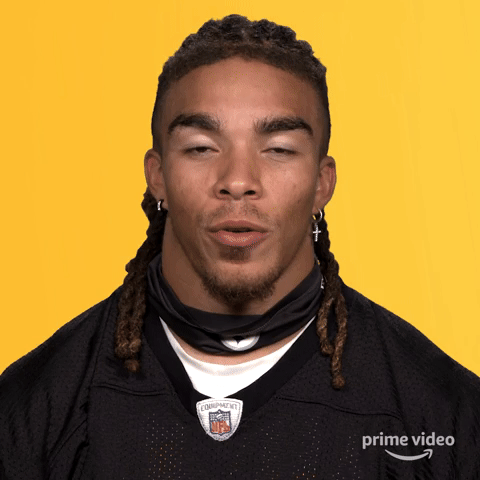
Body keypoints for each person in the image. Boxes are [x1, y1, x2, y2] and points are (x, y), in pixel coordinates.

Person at [1, 14, 479, 479]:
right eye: (201, 147)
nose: (237, 180)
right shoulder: (32, 408)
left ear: (322, 182)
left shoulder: (445, 416)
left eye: (279, 149)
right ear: (157, 175)